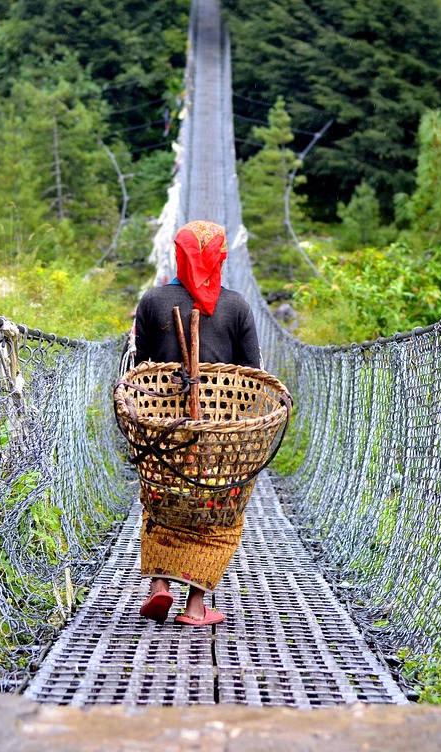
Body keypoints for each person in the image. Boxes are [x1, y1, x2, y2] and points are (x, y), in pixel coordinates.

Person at [131, 220, 260, 626]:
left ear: (178, 255)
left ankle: (159, 588)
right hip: (218, 438)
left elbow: (140, 369)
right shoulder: (236, 306)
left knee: (160, 500)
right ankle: (195, 606)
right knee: (216, 511)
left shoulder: (152, 301)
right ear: (220, 256)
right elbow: (252, 373)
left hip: (163, 434)